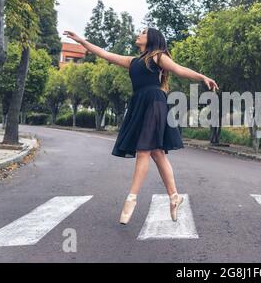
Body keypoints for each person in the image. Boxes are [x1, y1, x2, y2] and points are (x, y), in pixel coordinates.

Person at [63, 28, 219, 224]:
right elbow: (104, 53)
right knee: (156, 153)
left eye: (143, 32)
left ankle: (131, 198)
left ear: (151, 38)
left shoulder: (157, 57)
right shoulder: (132, 61)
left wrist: (202, 77)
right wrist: (81, 41)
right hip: (140, 104)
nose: (139, 33)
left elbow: (179, 69)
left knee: (143, 150)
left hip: (154, 103)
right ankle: (174, 197)